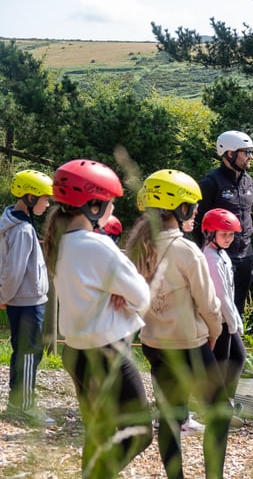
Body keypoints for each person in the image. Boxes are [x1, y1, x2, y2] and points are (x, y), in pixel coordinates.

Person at [42, 159, 153, 478]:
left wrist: (118, 292)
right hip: (109, 353)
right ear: (93, 204)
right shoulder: (98, 245)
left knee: (98, 434)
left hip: (75, 352)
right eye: (110, 203)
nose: (112, 209)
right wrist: (125, 296)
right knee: (139, 432)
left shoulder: (59, 242)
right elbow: (141, 296)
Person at [126, 169, 232, 479]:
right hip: (190, 346)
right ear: (178, 207)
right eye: (192, 204)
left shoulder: (138, 248)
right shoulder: (187, 251)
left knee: (169, 418)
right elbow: (210, 305)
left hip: (153, 344)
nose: (196, 210)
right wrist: (214, 334)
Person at [0, 169, 54, 426]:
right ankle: (24, 406)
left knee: (22, 351)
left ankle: (17, 402)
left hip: (21, 300)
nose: (48, 203)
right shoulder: (22, 229)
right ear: (30, 198)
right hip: (27, 301)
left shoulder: (10, 219)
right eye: (45, 198)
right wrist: (4, 296)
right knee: (30, 352)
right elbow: (14, 270)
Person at [193, 130, 253, 319]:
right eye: (246, 152)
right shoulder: (211, 182)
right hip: (219, 254)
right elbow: (197, 220)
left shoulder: (249, 181)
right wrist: (204, 251)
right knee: (217, 310)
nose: (250, 157)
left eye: (251, 152)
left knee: (238, 310)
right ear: (230, 153)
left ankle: (237, 346)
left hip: (245, 254)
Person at [200, 208, 248, 424]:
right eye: (224, 234)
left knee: (235, 358)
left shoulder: (222, 254)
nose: (229, 238)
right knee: (222, 362)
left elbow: (229, 292)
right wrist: (233, 323)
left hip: (227, 318)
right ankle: (218, 409)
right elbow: (221, 294)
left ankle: (225, 402)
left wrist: (235, 320)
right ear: (210, 233)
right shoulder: (210, 258)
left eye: (231, 234)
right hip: (218, 320)